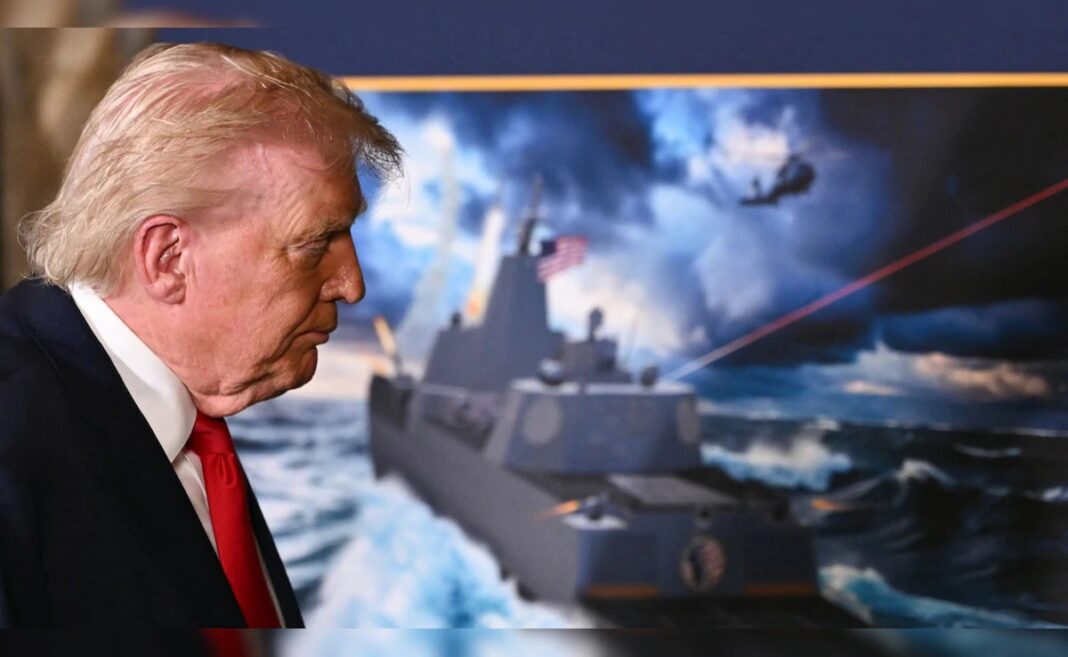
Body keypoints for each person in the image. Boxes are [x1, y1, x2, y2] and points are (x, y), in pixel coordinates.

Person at [0, 42, 402, 627]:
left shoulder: (191, 425)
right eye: (316, 243)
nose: (351, 284)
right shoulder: (14, 443)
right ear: (168, 259)